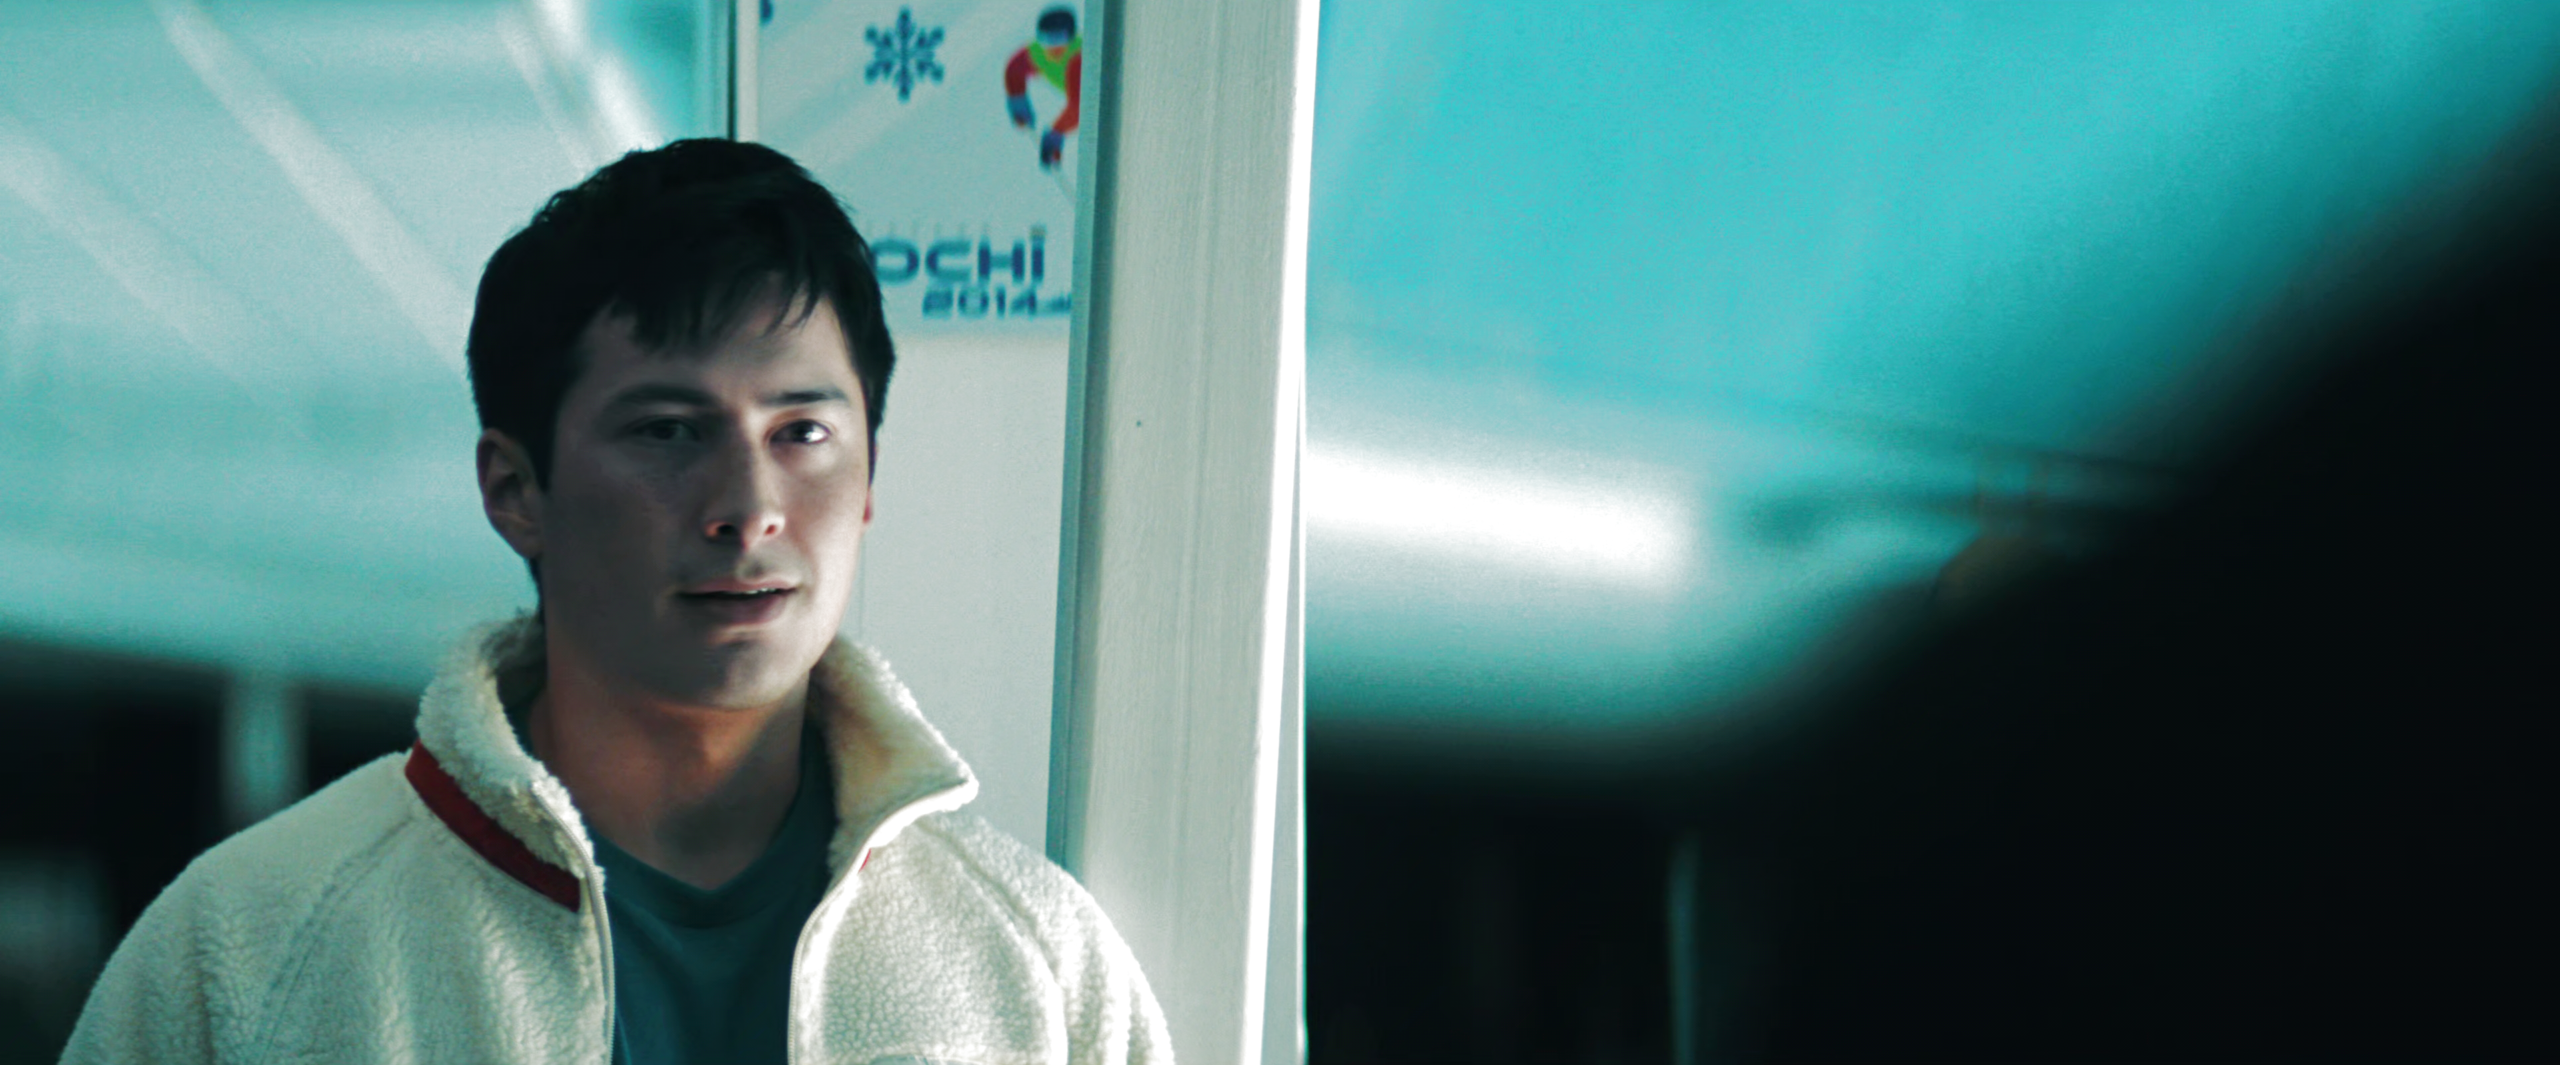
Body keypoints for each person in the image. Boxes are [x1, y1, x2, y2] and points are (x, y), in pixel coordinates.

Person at [59, 139, 1172, 1065]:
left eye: (802, 433)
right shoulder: (254, 948)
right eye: (668, 432)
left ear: (870, 478)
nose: (749, 507)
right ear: (516, 489)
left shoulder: (1033, 965)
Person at [1005, 6, 1082, 169]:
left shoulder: (1079, 55)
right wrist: (1018, 101)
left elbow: (1081, 105)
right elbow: (1014, 70)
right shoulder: (1038, 53)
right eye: (1047, 39)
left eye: (1059, 38)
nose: (1053, 47)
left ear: (1071, 36)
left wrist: (1056, 133)